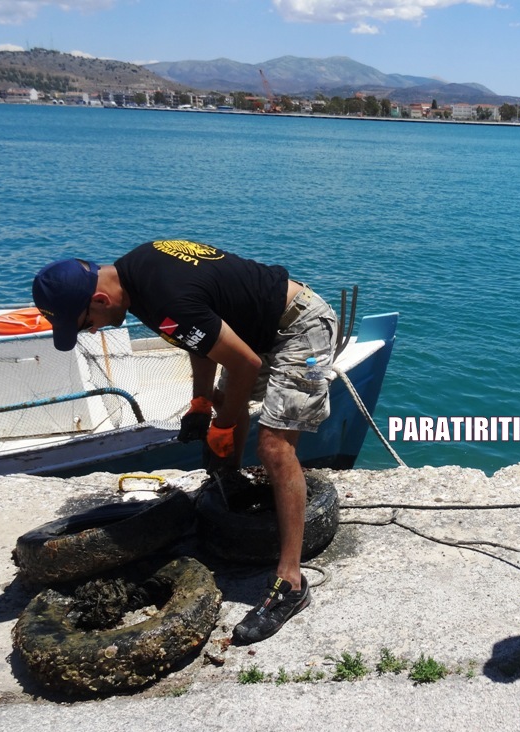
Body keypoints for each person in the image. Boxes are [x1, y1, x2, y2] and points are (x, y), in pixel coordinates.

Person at [32, 239, 338, 645]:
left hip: (301, 328)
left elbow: (243, 363)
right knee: (224, 408)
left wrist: (224, 424)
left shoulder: (160, 296)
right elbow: (201, 338)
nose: (93, 329)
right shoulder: (137, 272)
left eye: (86, 322)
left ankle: (291, 583)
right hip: (256, 330)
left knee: (274, 447)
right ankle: (228, 490)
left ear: (101, 298)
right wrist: (200, 402)